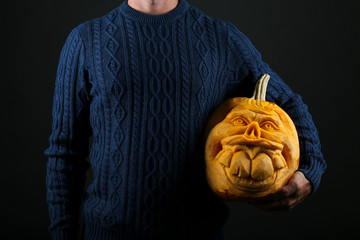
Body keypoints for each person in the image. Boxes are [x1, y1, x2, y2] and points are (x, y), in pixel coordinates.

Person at [43, 0, 327, 239]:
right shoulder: (86, 40)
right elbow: (65, 153)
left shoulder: (222, 38)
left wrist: (310, 171)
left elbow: (288, 102)